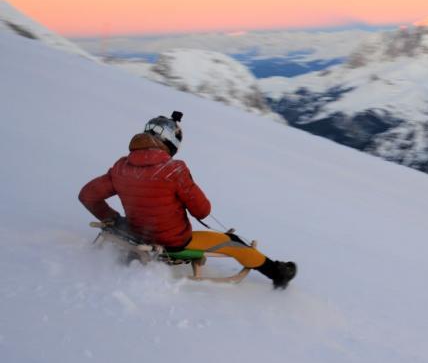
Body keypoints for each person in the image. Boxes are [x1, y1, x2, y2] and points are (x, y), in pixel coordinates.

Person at [79, 111, 297, 288]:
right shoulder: (175, 170)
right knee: (235, 243)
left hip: (138, 233)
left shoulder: (120, 167)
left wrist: (115, 219)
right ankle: (278, 273)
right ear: (170, 143)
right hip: (175, 242)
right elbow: (202, 210)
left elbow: (87, 195)